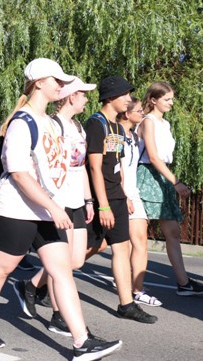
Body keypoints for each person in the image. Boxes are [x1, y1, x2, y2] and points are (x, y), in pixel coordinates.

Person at [0, 58, 121, 361]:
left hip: (46, 210)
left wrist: (64, 203)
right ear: (39, 83)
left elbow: (57, 169)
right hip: (16, 209)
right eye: (57, 81)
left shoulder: (50, 122)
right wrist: (54, 205)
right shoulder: (22, 122)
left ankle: (81, 341)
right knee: (2, 268)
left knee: (61, 271)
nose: (62, 86)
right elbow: (20, 173)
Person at [14, 77, 97, 336]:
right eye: (83, 95)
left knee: (76, 260)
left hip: (76, 201)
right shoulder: (53, 125)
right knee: (62, 265)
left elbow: (81, 166)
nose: (86, 99)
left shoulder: (79, 127)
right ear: (71, 96)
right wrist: (51, 203)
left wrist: (88, 199)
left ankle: (30, 284)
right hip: (59, 201)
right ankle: (58, 315)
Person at [84, 75, 156, 323]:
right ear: (112, 97)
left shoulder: (116, 126)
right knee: (81, 252)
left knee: (121, 249)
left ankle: (126, 304)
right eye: (126, 95)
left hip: (116, 196)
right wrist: (102, 205)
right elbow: (94, 168)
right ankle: (38, 282)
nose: (129, 99)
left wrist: (123, 195)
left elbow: (118, 165)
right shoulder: (96, 124)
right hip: (100, 198)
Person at [136, 82, 203, 296]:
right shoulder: (148, 121)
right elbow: (153, 157)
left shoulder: (164, 123)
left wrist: (170, 180)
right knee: (137, 235)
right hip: (147, 175)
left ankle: (183, 283)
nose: (171, 103)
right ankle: (133, 285)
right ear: (153, 100)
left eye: (172, 99)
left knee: (172, 231)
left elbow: (162, 158)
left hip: (162, 176)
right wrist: (176, 182)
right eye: (167, 99)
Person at [117, 97, 162, 306]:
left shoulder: (134, 137)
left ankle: (137, 289)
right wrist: (123, 195)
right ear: (127, 114)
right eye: (138, 111)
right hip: (120, 194)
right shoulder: (115, 135)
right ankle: (48, 277)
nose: (142, 114)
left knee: (140, 240)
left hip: (133, 193)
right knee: (98, 246)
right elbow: (113, 168)